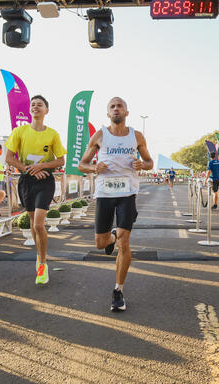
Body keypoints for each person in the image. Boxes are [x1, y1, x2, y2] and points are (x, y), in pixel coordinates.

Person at [78, 96, 153, 312]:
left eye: (120, 106)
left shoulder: (136, 136)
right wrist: (94, 168)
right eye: (113, 106)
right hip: (104, 193)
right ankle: (110, 236)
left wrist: (143, 164)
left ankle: (118, 290)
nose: (116, 109)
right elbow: (82, 164)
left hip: (127, 192)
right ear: (108, 113)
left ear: (127, 112)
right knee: (100, 244)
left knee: (125, 241)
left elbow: (149, 162)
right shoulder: (99, 135)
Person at [5, 95, 66, 285]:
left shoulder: (52, 134)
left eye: (40, 105)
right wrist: (30, 169)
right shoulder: (19, 131)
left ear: (46, 110)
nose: (35, 107)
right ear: (30, 110)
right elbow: (9, 158)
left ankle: (42, 262)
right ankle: (39, 257)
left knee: (39, 224)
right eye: (33, 105)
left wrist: (42, 167)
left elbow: (60, 160)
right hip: (26, 181)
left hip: (45, 182)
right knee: (32, 223)